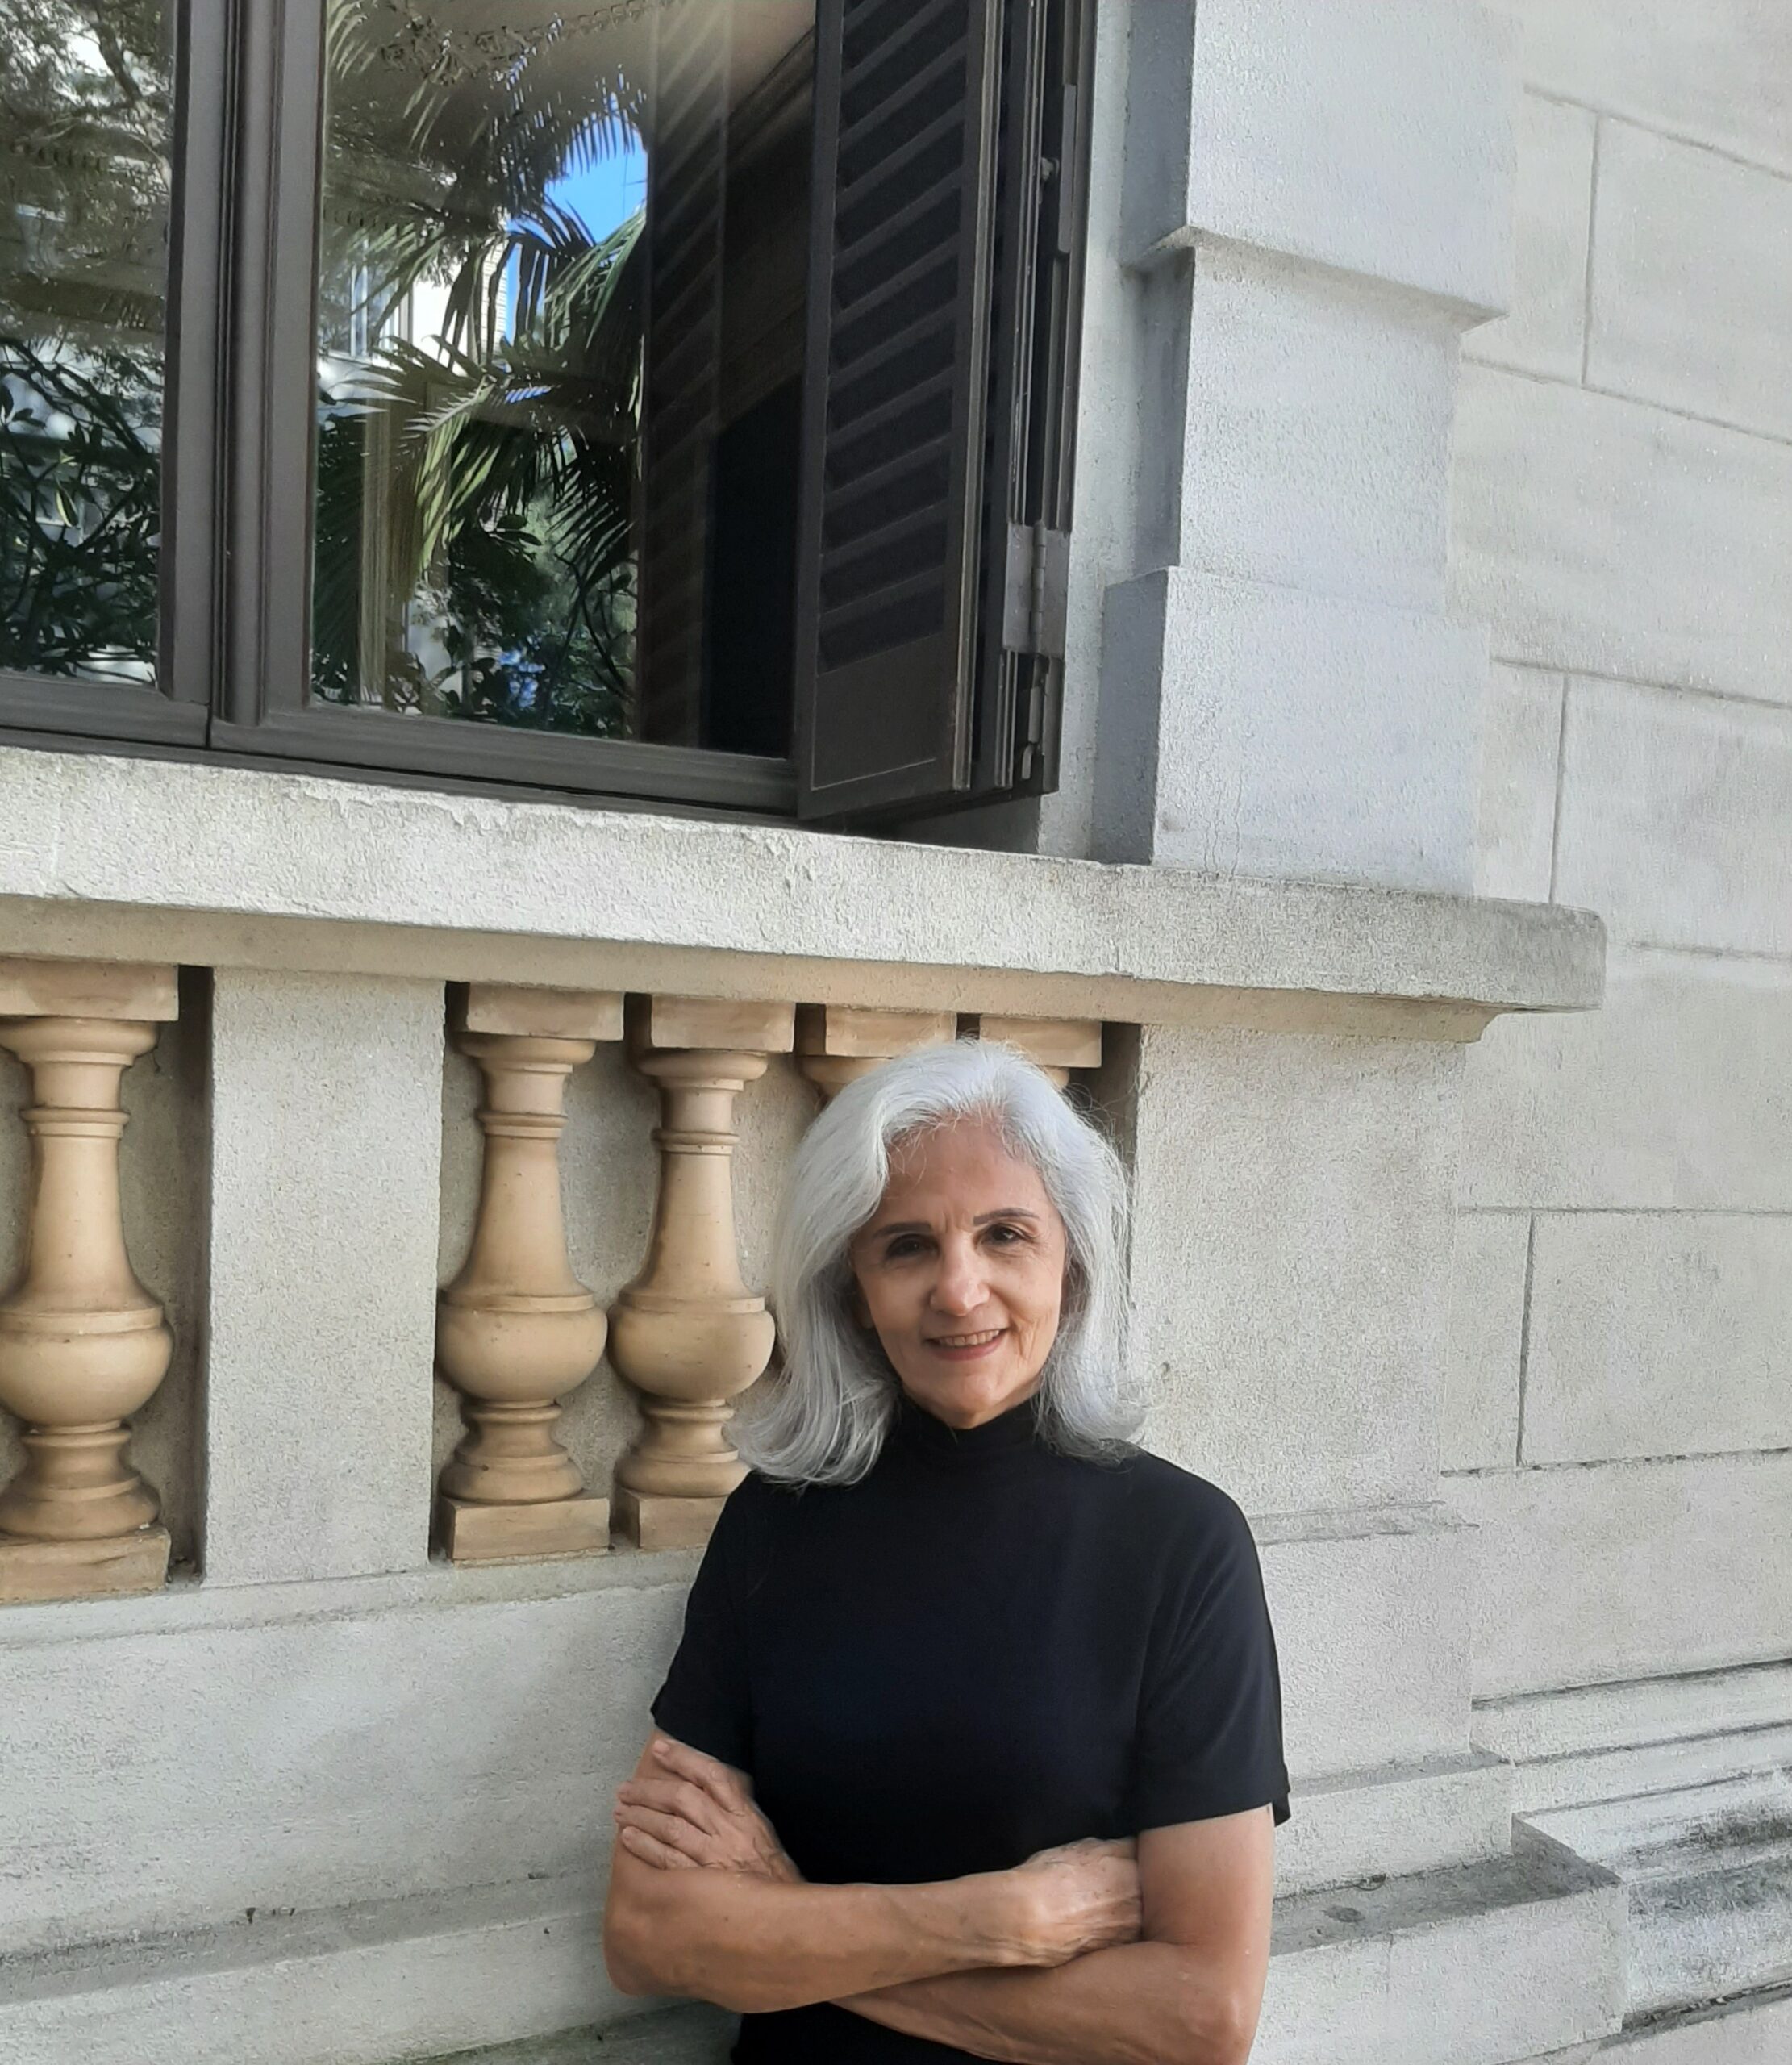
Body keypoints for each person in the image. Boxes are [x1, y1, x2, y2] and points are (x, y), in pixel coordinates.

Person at [602, 1040, 1290, 2064]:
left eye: (1004, 1234)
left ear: (1072, 1264)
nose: (959, 1290)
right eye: (906, 1245)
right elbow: (647, 1933)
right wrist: (996, 1920)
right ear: (851, 1289)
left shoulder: (1181, 1546)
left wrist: (788, 1912)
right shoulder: (775, 1521)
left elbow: (1200, 2016)